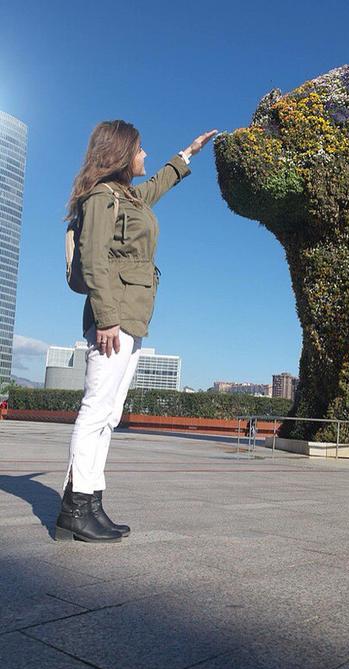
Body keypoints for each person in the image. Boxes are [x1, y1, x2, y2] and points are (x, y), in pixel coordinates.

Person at [55, 120, 217, 543]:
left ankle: (90, 502)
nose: (146, 155)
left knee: (108, 414)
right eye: (141, 149)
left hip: (132, 315)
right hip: (114, 318)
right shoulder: (100, 197)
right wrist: (106, 317)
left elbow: (159, 183)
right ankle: (76, 508)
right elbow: (92, 258)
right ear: (122, 153)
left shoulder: (128, 197)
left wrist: (188, 154)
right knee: (95, 412)